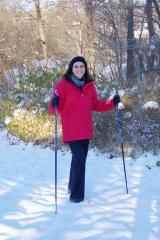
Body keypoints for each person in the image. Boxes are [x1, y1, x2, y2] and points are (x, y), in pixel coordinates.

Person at [49, 56, 121, 203]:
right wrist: (54, 102)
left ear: (85, 68)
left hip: (86, 129)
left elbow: (96, 104)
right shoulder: (62, 85)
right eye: (76, 66)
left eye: (81, 66)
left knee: (79, 160)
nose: (79, 69)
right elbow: (54, 108)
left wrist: (113, 103)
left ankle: (71, 186)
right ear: (71, 68)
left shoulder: (90, 86)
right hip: (71, 130)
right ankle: (76, 195)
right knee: (80, 159)